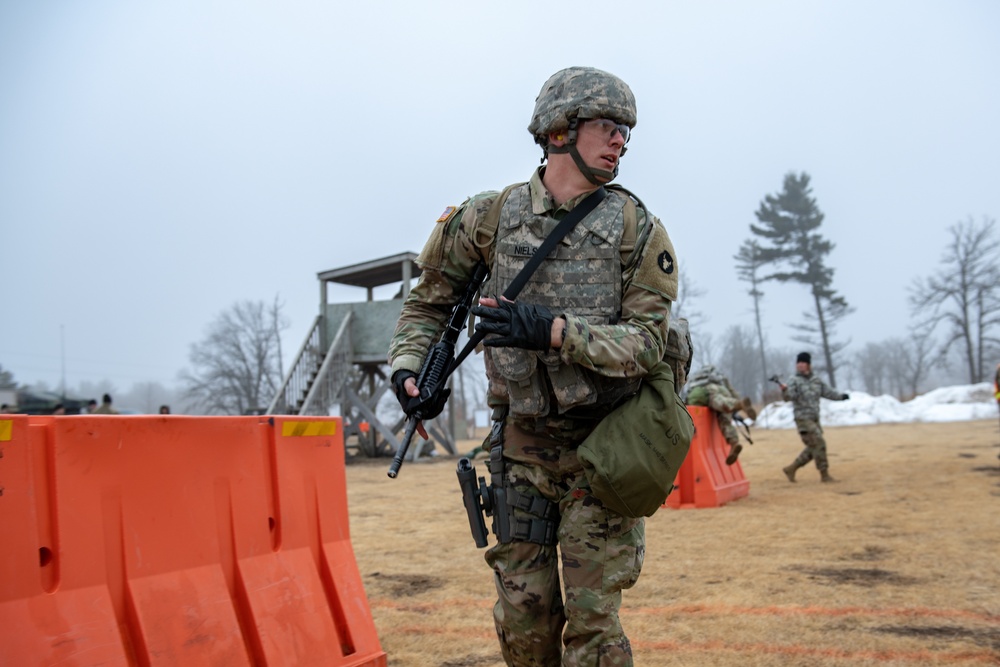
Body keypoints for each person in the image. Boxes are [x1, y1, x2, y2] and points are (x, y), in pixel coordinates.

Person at [388, 66, 679, 665]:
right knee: (525, 630)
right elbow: (429, 301)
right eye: (605, 126)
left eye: (625, 129)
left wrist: (551, 331)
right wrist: (412, 371)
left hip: (605, 449)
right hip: (521, 449)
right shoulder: (488, 219)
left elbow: (647, 344)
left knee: (593, 631)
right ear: (557, 132)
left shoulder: (636, 230)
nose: (620, 139)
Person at [778, 352, 849, 483]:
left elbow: (828, 392)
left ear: (808, 365)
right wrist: (784, 390)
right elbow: (788, 397)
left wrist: (841, 397)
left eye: (803, 362)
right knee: (819, 443)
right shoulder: (794, 380)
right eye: (798, 363)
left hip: (814, 418)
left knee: (814, 447)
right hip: (802, 419)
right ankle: (825, 475)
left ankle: (791, 468)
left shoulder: (816, 380)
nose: (800, 365)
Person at [685, 365, 756, 465]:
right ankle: (734, 443)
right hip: (724, 392)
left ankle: (738, 404)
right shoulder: (720, 377)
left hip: (709, 392)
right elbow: (732, 391)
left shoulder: (700, 381)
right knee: (725, 420)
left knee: (718, 401)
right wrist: (737, 400)